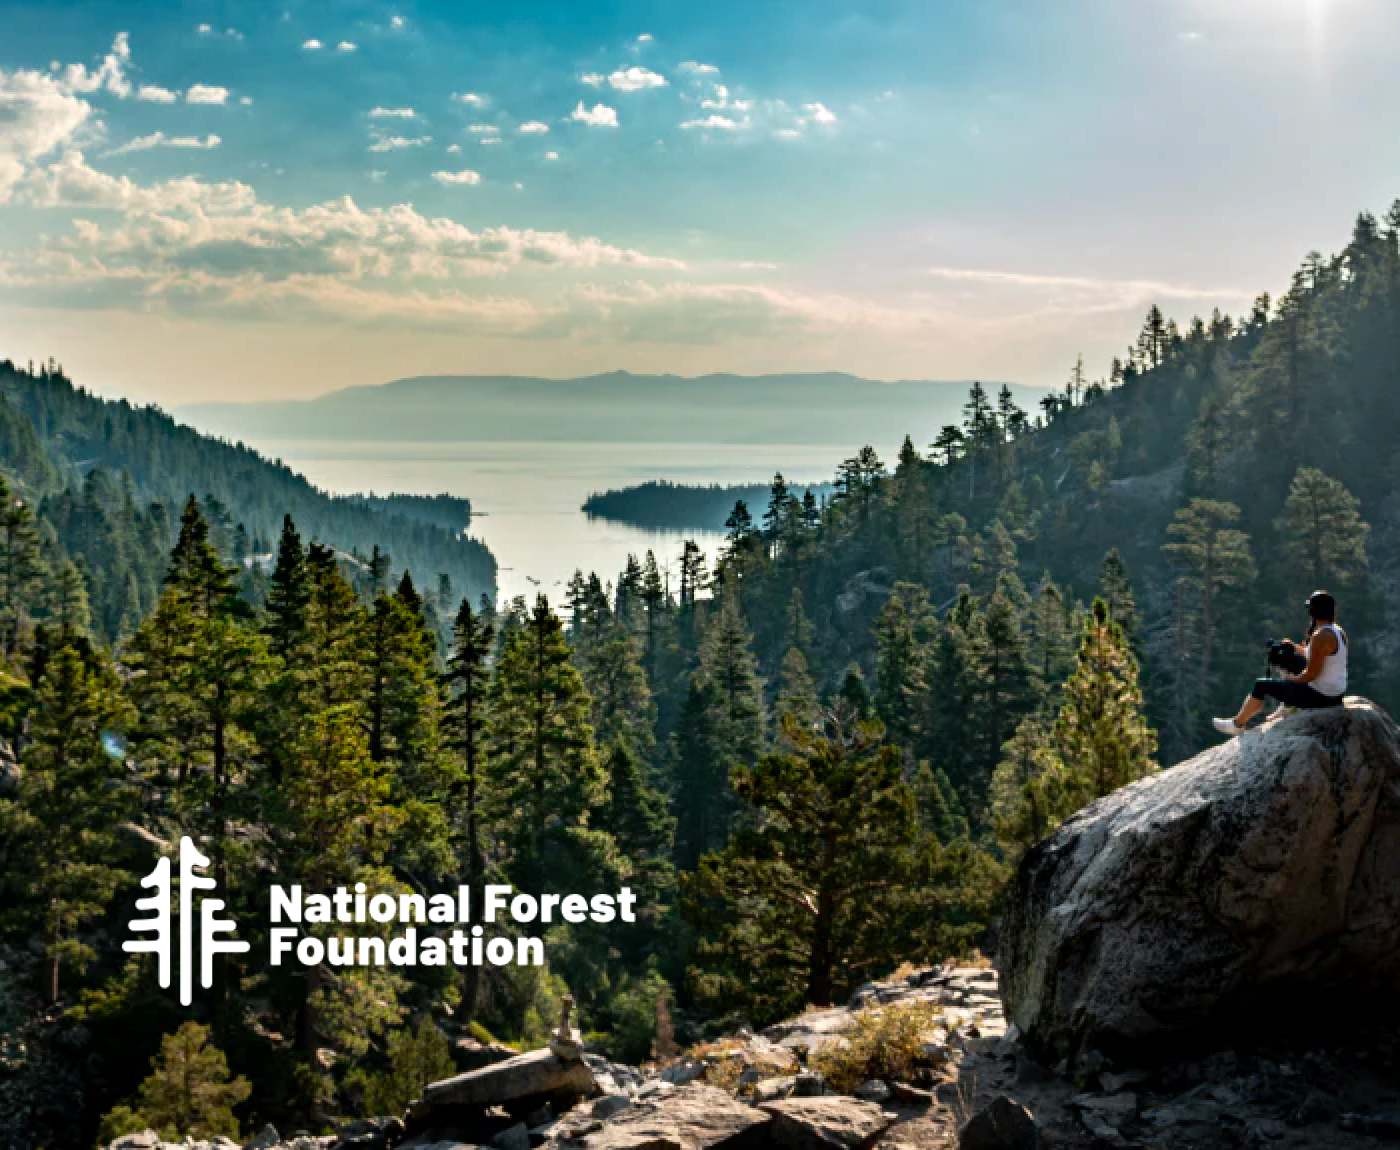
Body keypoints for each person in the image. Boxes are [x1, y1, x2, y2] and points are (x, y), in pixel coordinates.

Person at [1213, 591, 1348, 737]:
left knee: (1261, 685)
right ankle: (1288, 706)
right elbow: (1315, 656)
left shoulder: (1320, 636)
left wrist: (1289, 680)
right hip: (1334, 694)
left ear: (1313, 611)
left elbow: (1310, 675)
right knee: (1289, 659)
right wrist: (1294, 647)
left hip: (1321, 697)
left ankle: (1237, 724)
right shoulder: (1337, 631)